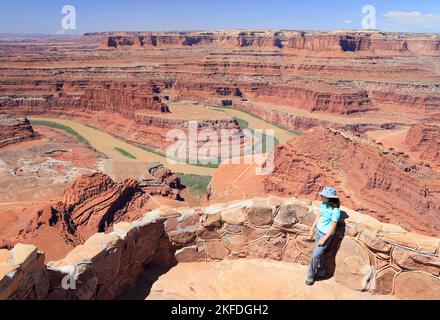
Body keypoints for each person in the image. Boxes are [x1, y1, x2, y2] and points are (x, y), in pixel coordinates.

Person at [305, 187, 341, 286]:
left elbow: (333, 227)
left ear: (329, 197)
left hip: (326, 235)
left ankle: (311, 275)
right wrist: (312, 228)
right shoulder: (324, 204)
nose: (321, 196)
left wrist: (324, 239)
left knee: (316, 255)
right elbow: (319, 216)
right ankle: (321, 272)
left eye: (323, 195)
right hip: (319, 230)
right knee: (318, 254)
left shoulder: (335, 210)